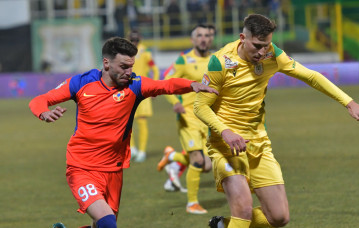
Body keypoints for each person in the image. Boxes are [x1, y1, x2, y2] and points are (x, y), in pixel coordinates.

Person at [192, 14, 359, 228]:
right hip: (226, 145)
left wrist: (349, 102)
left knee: (279, 217)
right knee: (243, 210)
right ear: (243, 37)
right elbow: (200, 106)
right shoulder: (220, 61)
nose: (262, 52)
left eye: (267, 45)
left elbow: (311, 76)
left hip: (259, 144)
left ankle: (222, 225)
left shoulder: (273, 54)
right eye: (257, 45)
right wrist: (225, 132)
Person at [28, 37, 218, 228]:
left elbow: (165, 86)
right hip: (82, 168)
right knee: (108, 222)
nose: (129, 72)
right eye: (124, 66)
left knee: (102, 225)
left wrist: (192, 85)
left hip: (114, 171)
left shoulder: (135, 85)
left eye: (131, 66)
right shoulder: (81, 83)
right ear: (106, 63)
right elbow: (39, 100)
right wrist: (44, 113)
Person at [157, 24, 213, 214]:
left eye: (207, 35)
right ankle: (192, 203)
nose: (203, 39)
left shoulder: (215, 60)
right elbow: (166, 82)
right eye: (199, 35)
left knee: (207, 165)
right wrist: (175, 102)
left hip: (208, 118)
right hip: (188, 116)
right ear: (193, 40)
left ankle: (172, 156)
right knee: (197, 160)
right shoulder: (184, 60)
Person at [128, 30, 160, 162]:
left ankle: (139, 150)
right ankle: (135, 149)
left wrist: (154, 87)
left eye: (135, 39)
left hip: (137, 90)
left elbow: (155, 70)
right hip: (134, 90)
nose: (134, 41)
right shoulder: (131, 53)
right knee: (130, 122)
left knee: (137, 121)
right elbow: (155, 70)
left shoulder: (141, 52)